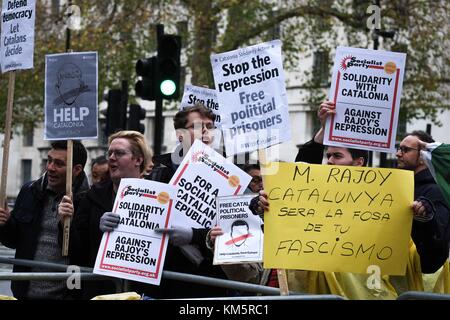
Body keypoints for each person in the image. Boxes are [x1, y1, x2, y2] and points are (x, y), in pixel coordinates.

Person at [148, 103, 228, 298]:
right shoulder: (158, 174)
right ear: (180, 134)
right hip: (165, 284)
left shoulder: (229, 176)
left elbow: (231, 228)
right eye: (197, 126)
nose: (205, 132)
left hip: (209, 284)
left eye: (209, 126)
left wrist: (195, 236)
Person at [62, 130, 152, 299]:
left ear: (138, 160)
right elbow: (76, 250)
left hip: (141, 291)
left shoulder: (159, 197)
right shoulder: (93, 196)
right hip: (99, 291)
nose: (111, 157)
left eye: (119, 153)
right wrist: (66, 223)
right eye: (109, 152)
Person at [0, 140, 89, 299]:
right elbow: (13, 241)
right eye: (49, 160)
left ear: (77, 170)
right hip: (23, 291)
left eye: (59, 163)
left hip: (66, 294)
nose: (50, 168)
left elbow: (83, 253)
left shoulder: (88, 201)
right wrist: (5, 222)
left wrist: (66, 224)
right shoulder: (29, 191)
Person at [395, 130, 450, 274]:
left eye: (405, 150)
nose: (398, 154)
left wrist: (426, 217)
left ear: (422, 157)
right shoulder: (399, 187)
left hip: (418, 278)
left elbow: (438, 244)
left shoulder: (435, 192)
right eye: (399, 148)